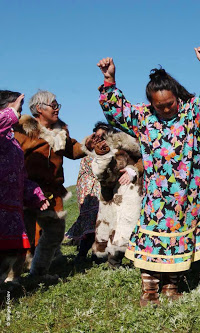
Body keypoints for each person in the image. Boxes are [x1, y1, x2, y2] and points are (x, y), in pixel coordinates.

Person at [97, 46, 200, 306]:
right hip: (156, 195)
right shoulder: (143, 118)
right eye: (160, 106)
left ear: (177, 97)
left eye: (170, 104)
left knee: (181, 239)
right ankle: (150, 291)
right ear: (151, 104)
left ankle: (171, 287)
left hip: (187, 192)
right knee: (152, 240)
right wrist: (109, 80)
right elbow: (116, 110)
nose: (166, 110)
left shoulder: (191, 114)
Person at [14, 90, 88, 278]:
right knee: (25, 236)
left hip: (52, 192)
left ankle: (38, 272)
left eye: (57, 105)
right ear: (39, 109)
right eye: (53, 105)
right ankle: (11, 278)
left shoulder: (60, 132)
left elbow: (73, 149)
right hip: (27, 190)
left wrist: (90, 144)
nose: (57, 109)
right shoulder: (22, 130)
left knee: (55, 233)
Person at [0, 91, 49, 283]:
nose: (19, 114)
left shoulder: (12, 141)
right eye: (18, 109)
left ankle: (8, 288)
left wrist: (34, 193)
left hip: (12, 208)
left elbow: (19, 173)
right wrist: (11, 112)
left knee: (13, 253)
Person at [90, 129, 143, 268]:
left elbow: (147, 161)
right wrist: (102, 156)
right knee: (115, 225)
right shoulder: (111, 152)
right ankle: (113, 261)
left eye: (102, 136)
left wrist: (134, 170)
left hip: (132, 191)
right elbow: (104, 175)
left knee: (128, 224)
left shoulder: (127, 150)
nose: (100, 140)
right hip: (114, 195)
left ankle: (127, 260)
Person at [65, 122, 111, 262]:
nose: (99, 139)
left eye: (103, 136)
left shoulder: (109, 153)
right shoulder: (87, 152)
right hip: (89, 193)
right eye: (97, 136)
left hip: (101, 192)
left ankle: (94, 254)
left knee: (100, 222)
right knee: (90, 222)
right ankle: (85, 255)